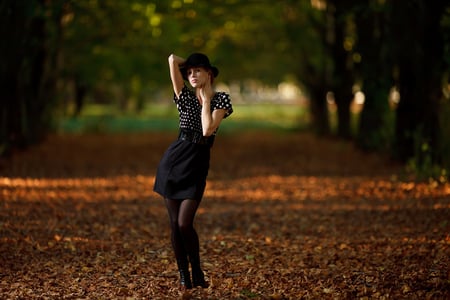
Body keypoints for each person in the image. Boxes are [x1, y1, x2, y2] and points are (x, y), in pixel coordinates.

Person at [153, 53, 233, 290]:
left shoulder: (221, 100)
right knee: (174, 224)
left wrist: (206, 99)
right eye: (189, 72)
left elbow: (208, 130)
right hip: (173, 163)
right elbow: (170, 59)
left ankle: (196, 268)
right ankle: (184, 274)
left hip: (197, 165)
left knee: (185, 223)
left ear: (209, 73)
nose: (192, 75)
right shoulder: (183, 97)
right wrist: (186, 64)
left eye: (198, 70)